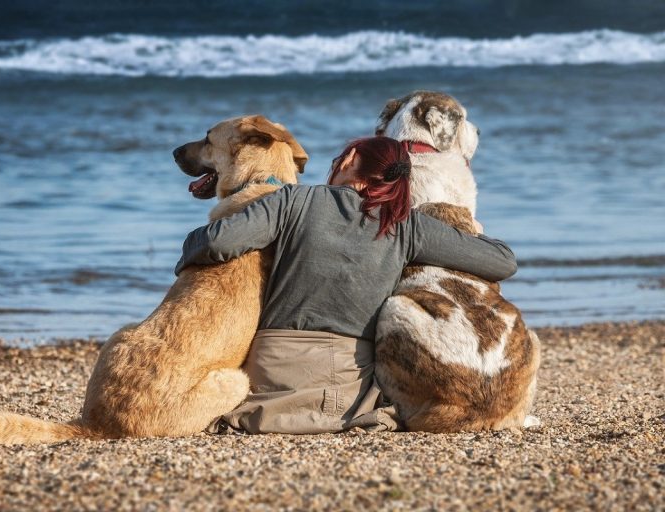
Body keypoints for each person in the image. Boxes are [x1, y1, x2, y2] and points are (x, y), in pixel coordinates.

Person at [174, 136, 517, 434]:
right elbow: (502, 261)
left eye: (340, 160)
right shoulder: (407, 226)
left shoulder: (294, 200)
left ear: (351, 160)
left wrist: (185, 256)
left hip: (270, 375)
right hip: (346, 393)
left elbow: (217, 243)